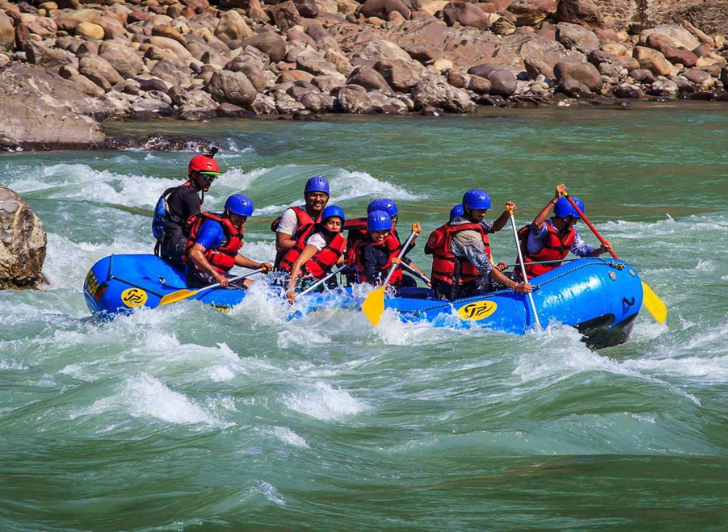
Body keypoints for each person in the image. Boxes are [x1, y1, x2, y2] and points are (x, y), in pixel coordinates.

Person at [425, 189, 532, 300]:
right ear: (467, 208)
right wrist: (515, 286)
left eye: (485, 210)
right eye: (480, 210)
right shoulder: (468, 236)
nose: (483, 214)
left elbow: (495, 226)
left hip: (442, 287)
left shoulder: (459, 221)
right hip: (458, 290)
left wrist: (506, 214)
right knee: (513, 277)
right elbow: (487, 267)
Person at [518, 184, 612, 279]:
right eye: (575, 219)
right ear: (566, 218)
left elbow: (585, 252)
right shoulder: (544, 230)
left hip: (551, 279)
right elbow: (537, 224)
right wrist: (555, 199)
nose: (575, 223)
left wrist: (601, 250)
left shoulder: (571, 234)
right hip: (528, 278)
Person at [184, 194, 273, 289]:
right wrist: (216, 276)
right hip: (200, 275)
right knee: (252, 289)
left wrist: (258, 266)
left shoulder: (231, 228)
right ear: (228, 211)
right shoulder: (213, 229)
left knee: (259, 286)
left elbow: (231, 255)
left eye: (245, 217)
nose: (242, 220)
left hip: (218, 275)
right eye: (239, 216)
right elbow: (195, 253)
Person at [153, 149, 221, 269]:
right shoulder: (190, 195)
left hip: (168, 245)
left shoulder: (183, 190)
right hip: (176, 245)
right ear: (194, 175)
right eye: (206, 177)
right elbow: (196, 228)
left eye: (212, 178)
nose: (209, 182)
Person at [282, 205, 347, 303]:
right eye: (331, 223)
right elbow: (298, 262)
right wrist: (291, 288)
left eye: (338, 224)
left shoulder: (337, 239)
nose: (334, 226)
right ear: (324, 223)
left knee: (330, 276)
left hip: (315, 278)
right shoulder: (318, 239)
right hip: (301, 279)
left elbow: (339, 261)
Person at [347, 210, 427, 288]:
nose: (381, 236)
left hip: (390, 282)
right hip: (377, 287)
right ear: (370, 231)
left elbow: (400, 254)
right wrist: (389, 269)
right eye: (377, 232)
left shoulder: (386, 242)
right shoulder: (368, 250)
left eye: (384, 232)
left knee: (410, 282)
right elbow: (371, 278)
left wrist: (414, 235)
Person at [273, 176, 330, 269]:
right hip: (289, 267)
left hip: (315, 268)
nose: (318, 199)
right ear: (306, 196)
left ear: (327, 198)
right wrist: (312, 246)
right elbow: (281, 244)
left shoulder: (328, 217)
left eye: (322, 195)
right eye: (314, 195)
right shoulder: (291, 214)